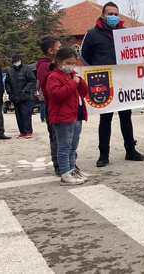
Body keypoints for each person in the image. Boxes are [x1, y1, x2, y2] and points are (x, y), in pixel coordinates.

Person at [81, 1, 144, 167]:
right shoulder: (92, 34)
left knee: (126, 117)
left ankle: (130, 150)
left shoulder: (125, 34)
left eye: (116, 14)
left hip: (124, 81)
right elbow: (85, 56)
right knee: (106, 119)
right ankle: (103, 154)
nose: (113, 17)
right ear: (103, 15)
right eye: (110, 14)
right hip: (104, 82)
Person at [46, 47, 88, 185]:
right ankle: (65, 172)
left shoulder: (71, 75)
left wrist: (79, 81)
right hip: (62, 117)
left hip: (76, 115)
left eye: (73, 63)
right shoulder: (53, 77)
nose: (71, 66)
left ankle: (72, 169)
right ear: (59, 62)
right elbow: (57, 95)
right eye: (68, 62)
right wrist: (73, 83)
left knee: (73, 146)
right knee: (64, 146)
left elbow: (84, 91)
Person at [37, 36, 62, 175]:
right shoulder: (44, 66)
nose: (61, 49)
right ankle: (59, 165)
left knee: (67, 137)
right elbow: (49, 90)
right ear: (51, 50)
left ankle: (69, 162)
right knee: (56, 137)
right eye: (59, 47)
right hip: (53, 108)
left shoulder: (60, 63)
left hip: (65, 107)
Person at [5, 54, 37, 138]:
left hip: (26, 96)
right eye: (14, 61)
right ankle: (22, 132)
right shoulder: (10, 70)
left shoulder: (27, 69)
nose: (16, 62)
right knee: (18, 115)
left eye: (17, 60)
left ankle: (28, 131)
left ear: (20, 60)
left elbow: (32, 80)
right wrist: (9, 92)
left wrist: (26, 90)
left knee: (26, 114)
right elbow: (7, 82)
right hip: (15, 96)